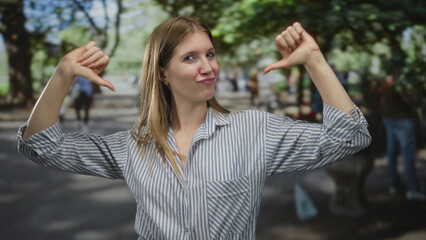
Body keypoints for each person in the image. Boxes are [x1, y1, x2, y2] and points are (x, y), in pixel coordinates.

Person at [17, 17, 371, 239]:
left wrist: (314, 60)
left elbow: (350, 137)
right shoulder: (132, 146)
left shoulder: (254, 131)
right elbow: (40, 147)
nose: (208, 67)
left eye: (210, 54)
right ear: (162, 73)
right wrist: (63, 73)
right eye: (190, 58)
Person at [381, 75, 426, 200]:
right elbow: (408, 100)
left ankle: (395, 184)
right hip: (402, 121)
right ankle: (413, 188)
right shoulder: (402, 83)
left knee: (392, 153)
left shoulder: (388, 82)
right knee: (408, 155)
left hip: (390, 120)